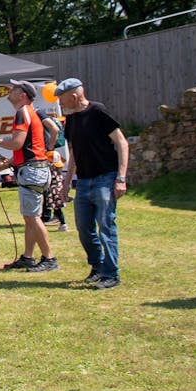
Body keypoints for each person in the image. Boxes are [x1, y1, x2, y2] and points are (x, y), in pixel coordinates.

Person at [56, 78, 130, 289]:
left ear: (74, 96)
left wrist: (121, 178)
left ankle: (111, 274)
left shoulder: (98, 111)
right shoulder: (71, 120)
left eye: (62, 98)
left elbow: (122, 142)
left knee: (106, 227)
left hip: (105, 178)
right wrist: (66, 181)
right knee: (84, 229)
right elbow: (73, 153)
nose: (60, 103)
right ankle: (97, 267)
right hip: (84, 181)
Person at [0, 80, 58, 272]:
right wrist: (6, 163)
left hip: (32, 171)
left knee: (33, 217)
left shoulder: (22, 112)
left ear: (22, 95)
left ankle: (49, 258)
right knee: (29, 217)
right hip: (36, 169)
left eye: (15, 89)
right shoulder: (30, 112)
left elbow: (17, 143)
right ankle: (28, 257)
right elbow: (26, 148)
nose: (10, 91)